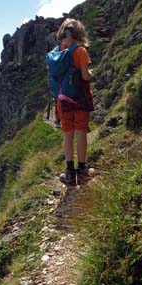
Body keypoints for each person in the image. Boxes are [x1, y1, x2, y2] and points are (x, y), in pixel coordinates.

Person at [55, 18, 94, 185]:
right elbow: (85, 76)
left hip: (63, 100)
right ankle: (83, 168)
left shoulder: (56, 53)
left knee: (67, 134)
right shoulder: (80, 52)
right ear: (79, 34)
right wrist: (91, 73)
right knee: (80, 131)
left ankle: (69, 172)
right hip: (80, 98)